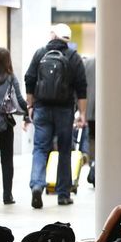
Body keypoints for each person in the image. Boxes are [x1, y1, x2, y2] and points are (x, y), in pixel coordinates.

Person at [24, 23, 87, 208]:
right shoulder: (74, 57)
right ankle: (63, 194)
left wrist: (30, 105)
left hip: (42, 108)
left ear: (53, 35)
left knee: (40, 148)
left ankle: (37, 185)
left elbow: (29, 80)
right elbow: (81, 87)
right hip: (64, 110)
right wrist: (82, 113)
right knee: (65, 150)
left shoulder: (40, 53)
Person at [0, 47, 29, 205]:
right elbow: (19, 100)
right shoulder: (10, 77)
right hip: (4, 123)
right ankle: (7, 195)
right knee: (7, 160)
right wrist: (27, 113)